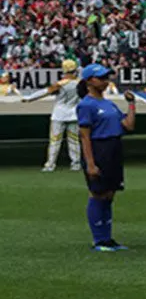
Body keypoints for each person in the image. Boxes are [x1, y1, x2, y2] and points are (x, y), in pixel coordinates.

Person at [76, 64, 137, 251]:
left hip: (114, 148)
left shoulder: (109, 104)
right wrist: (90, 163)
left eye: (106, 78)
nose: (105, 81)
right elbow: (84, 136)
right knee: (98, 193)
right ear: (89, 81)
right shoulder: (86, 105)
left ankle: (107, 238)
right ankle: (99, 240)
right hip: (99, 149)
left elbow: (128, 125)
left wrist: (131, 104)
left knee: (109, 194)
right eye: (101, 78)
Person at [22, 60, 82, 172]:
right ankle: (76, 164)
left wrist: (29, 98)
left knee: (55, 141)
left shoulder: (60, 84)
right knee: (74, 140)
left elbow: (45, 92)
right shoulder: (80, 83)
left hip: (59, 115)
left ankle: (50, 164)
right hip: (74, 114)